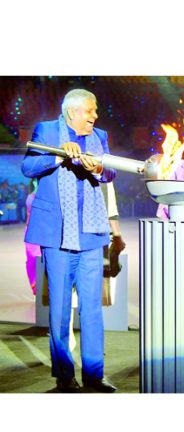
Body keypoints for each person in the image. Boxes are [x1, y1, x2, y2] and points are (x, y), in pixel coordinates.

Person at [22, 89, 117, 393]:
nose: (95, 116)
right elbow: (28, 168)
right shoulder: (47, 130)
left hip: (90, 234)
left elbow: (111, 172)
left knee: (92, 309)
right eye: (91, 110)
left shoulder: (99, 135)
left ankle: (94, 375)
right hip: (56, 234)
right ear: (73, 112)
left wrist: (99, 168)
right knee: (60, 311)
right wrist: (57, 154)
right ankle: (65, 376)